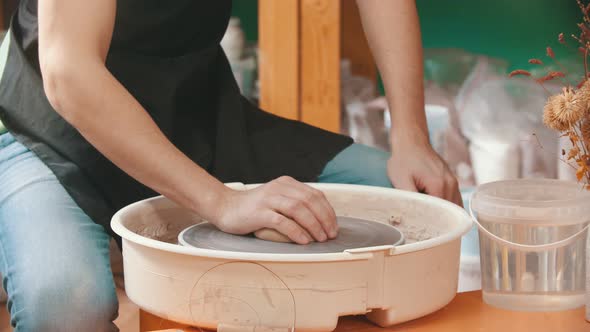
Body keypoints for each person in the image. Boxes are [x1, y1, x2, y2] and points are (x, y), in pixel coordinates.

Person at [0, 0, 460, 331]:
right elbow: (69, 71)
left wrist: (411, 136)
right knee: (65, 309)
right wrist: (220, 202)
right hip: (54, 130)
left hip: (198, 115)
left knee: (414, 209)